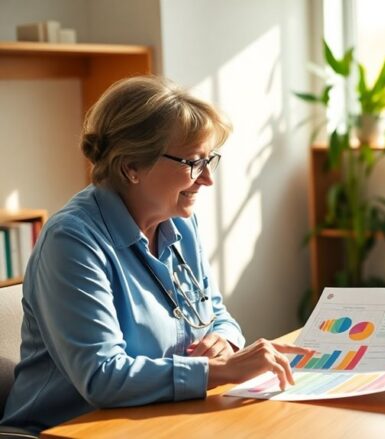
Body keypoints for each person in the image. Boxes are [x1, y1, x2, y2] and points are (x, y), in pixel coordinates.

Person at [0, 76, 311, 434]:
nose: (207, 179)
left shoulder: (179, 222)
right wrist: (219, 371)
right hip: (65, 430)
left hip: (157, 418)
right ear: (131, 167)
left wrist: (224, 341)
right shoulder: (71, 241)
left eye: (208, 160)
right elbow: (102, 376)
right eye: (192, 162)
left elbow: (214, 312)